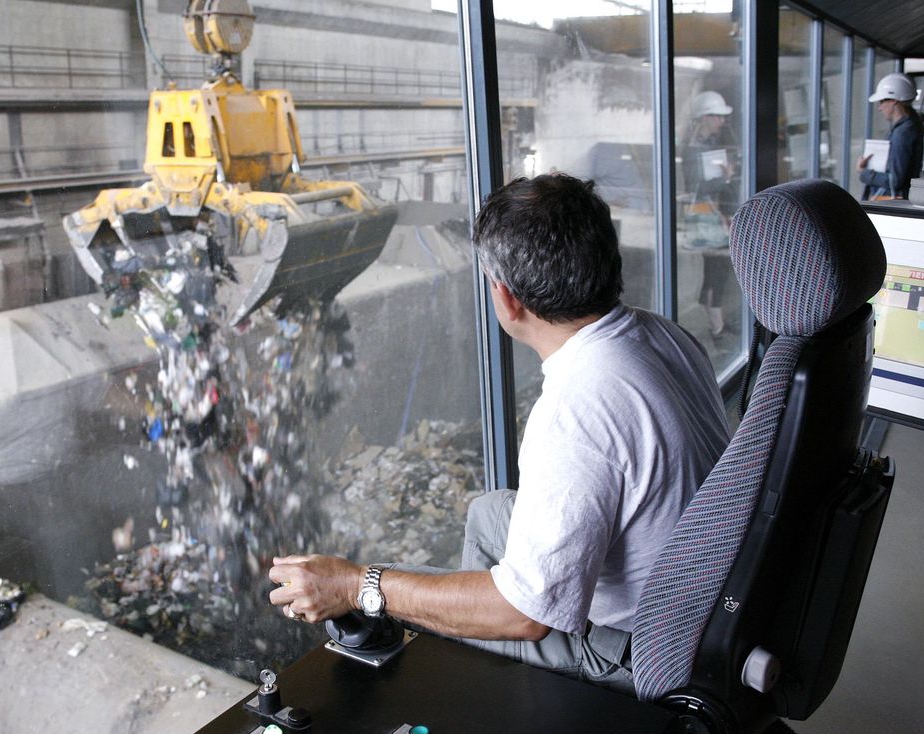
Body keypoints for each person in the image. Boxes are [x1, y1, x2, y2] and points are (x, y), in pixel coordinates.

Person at [268, 174, 729, 694]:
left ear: (507, 300)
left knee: (391, 601)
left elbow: (527, 616)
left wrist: (356, 586)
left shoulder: (575, 410)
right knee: (488, 514)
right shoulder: (660, 332)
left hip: (641, 645)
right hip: (702, 585)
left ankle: (486, 707)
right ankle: (489, 669)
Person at [681, 90, 739, 345]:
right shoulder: (694, 149)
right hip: (708, 219)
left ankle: (718, 323)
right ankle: (717, 327)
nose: (721, 121)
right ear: (704, 117)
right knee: (717, 272)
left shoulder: (707, 144)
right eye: (716, 116)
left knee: (716, 272)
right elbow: (696, 187)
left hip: (716, 216)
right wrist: (724, 178)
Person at [858, 72, 924, 200]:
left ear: (893, 100)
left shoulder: (903, 132)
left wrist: (863, 172)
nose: (880, 108)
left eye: (882, 101)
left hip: (891, 201)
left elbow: (894, 181)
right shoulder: (907, 128)